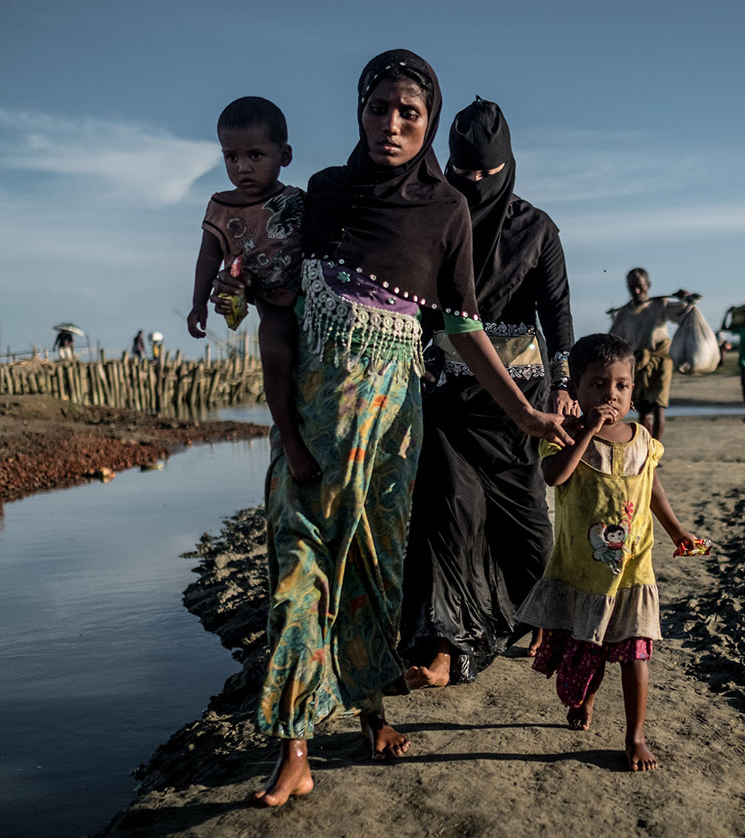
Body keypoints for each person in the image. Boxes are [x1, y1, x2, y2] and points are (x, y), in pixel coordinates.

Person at [211, 49, 572, 808]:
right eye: (380, 109)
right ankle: (296, 753)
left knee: (370, 579)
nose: (392, 124)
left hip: (387, 438)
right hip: (309, 432)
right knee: (297, 586)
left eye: (410, 113)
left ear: (429, 122)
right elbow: (279, 308)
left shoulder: (443, 212)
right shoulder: (323, 196)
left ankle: (370, 714)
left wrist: (529, 411)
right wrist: (282, 416)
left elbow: (464, 328)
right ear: (359, 112)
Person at [399, 97, 576, 689]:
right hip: (446, 397)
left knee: (529, 528)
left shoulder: (537, 229)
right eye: (463, 173)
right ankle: (447, 647)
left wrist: (567, 388)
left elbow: (557, 318)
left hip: (519, 407)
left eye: (487, 174)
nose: (474, 184)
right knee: (449, 514)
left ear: (509, 167)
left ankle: (538, 621)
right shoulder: (432, 219)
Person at [514, 333, 704, 772]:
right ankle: (588, 699)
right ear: (575, 390)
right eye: (598, 385)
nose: (611, 395)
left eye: (621, 385)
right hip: (584, 571)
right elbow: (556, 478)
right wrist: (589, 431)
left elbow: (651, 486)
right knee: (592, 647)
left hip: (634, 570)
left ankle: (635, 736)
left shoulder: (643, 438)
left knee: (635, 651)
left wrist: (676, 530)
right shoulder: (563, 436)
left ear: (633, 390)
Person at [188, 96, 312, 479]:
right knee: (274, 361)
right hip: (271, 305)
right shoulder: (220, 207)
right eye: (231, 157)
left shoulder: (296, 201)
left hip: (313, 300)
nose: (241, 167)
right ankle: (292, 444)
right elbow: (208, 259)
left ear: (284, 155)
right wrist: (198, 305)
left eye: (255, 155)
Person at [607, 268, 696, 441]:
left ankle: (657, 450)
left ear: (648, 285)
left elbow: (682, 313)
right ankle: (646, 450)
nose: (637, 291)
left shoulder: (660, 305)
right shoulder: (625, 313)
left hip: (661, 359)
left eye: (640, 286)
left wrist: (686, 299)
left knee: (658, 406)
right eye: (632, 287)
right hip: (638, 361)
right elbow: (613, 338)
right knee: (644, 409)